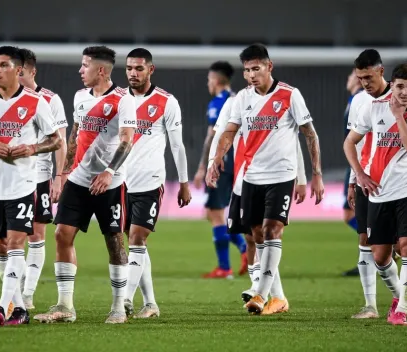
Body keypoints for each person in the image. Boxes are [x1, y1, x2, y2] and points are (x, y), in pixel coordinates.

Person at [209, 43, 324, 315]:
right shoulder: (241, 99)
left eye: (256, 68)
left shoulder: (289, 95)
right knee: (257, 235)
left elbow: (309, 135)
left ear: (269, 66)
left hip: (280, 175)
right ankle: (279, 298)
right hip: (251, 176)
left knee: (272, 230)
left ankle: (260, 293)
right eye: (247, 70)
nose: (251, 75)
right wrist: (217, 159)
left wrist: (313, 174)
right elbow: (228, 132)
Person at [34, 46, 136, 325]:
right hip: (79, 179)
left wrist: (108, 171)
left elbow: (128, 139)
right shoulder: (80, 97)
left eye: (85, 65)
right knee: (62, 235)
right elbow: (75, 137)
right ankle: (65, 305)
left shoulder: (124, 99)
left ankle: (117, 306)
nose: (80, 70)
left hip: (110, 183)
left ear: (100, 70)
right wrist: (63, 174)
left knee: (114, 242)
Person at [0, 46, 62, 326]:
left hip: (22, 185)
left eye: (3, 65)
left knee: (17, 243)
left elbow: (55, 140)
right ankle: (20, 308)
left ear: (18, 71)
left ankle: (3, 306)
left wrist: (33, 148)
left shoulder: (35, 103)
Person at [122, 48, 192, 318]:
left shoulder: (166, 102)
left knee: (137, 238)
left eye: (139, 68)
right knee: (132, 243)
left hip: (149, 182)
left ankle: (125, 300)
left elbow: (177, 146)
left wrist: (184, 183)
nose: (133, 73)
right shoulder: (118, 99)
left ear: (151, 69)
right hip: (120, 183)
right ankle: (150, 303)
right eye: (129, 68)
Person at [344, 63, 407, 326]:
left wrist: (399, 116)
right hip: (379, 193)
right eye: (401, 86)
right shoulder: (372, 107)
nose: (405, 92)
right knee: (381, 258)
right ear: (392, 85)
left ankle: (401, 311)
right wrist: (359, 175)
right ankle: (400, 296)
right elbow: (350, 141)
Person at [18, 48, 68, 310]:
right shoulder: (3, 100)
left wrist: (59, 176)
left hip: (38, 177)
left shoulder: (50, 99)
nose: (17, 76)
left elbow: (60, 142)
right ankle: (14, 288)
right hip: (7, 179)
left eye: (21, 72)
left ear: (32, 72)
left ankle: (26, 295)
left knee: (36, 235)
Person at [345, 50, 391, 319]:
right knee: (365, 240)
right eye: (360, 77)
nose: (364, 82)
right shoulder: (359, 101)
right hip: (367, 181)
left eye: (368, 77)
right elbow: (356, 142)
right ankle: (370, 305)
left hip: (400, 182)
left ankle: (400, 299)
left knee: (401, 246)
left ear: (381, 71)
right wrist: (354, 180)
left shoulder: (401, 98)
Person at [193, 61, 247, 279]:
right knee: (214, 213)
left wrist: (202, 167)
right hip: (238, 163)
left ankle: (226, 267)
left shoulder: (218, 102)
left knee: (215, 214)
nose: (208, 83)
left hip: (222, 163)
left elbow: (212, 137)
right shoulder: (238, 99)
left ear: (215, 80)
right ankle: (244, 249)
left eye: (209, 79)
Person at [341, 69, 363, 278]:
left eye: (350, 77)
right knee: (350, 214)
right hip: (353, 160)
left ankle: (370, 253)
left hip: (358, 161)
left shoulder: (359, 99)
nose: (347, 80)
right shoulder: (353, 99)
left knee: (355, 213)